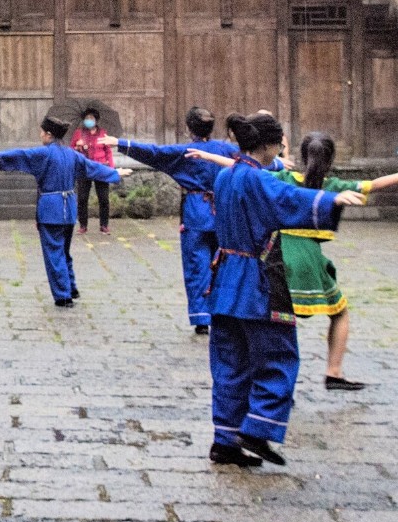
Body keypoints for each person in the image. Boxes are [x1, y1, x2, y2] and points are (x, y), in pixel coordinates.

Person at [204, 112, 362, 468]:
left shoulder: (226, 176)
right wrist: (329, 201)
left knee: (231, 364)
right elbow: (288, 197)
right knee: (279, 356)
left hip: (224, 279)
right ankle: (258, 429)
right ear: (269, 144)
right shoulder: (257, 180)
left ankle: (225, 441)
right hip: (258, 282)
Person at [189, 131, 398, 392]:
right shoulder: (333, 186)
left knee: (274, 321)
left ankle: (265, 378)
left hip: (276, 256)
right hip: (309, 259)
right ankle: (333, 371)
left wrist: (207, 155)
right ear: (330, 159)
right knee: (339, 312)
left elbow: (238, 168)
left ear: (301, 155)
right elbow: (375, 183)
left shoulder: (283, 178)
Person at [102, 107, 237, 334]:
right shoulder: (226, 149)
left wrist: (120, 143)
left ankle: (201, 317)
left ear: (188, 128)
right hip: (222, 212)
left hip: (195, 211)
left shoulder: (185, 151)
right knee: (223, 263)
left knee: (196, 265)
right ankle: (223, 312)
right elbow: (250, 161)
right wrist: (278, 163)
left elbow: (154, 152)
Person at [0, 116, 124, 307]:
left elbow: (22, 155)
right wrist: (114, 173)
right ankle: (71, 287)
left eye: (42, 132)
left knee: (54, 253)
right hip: (69, 209)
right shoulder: (72, 154)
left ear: (49, 134)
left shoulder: (44, 154)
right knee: (64, 252)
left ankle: (63, 295)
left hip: (51, 209)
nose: (40, 135)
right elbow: (91, 167)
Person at [71, 109, 116, 234]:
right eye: (87, 118)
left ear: (96, 120)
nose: (89, 121)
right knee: (82, 198)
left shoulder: (103, 133)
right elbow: (71, 151)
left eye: (91, 118)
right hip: (84, 169)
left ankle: (104, 225)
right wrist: (77, 147)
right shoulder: (79, 133)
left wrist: (111, 169)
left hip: (101, 168)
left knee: (103, 198)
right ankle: (83, 225)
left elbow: (108, 151)